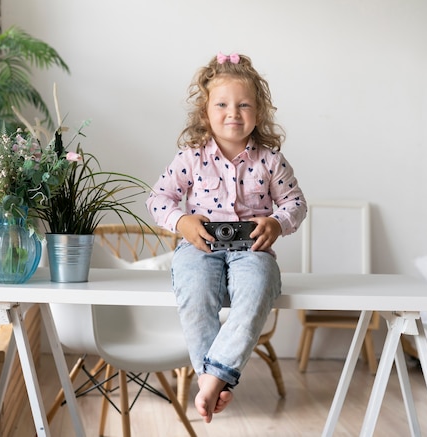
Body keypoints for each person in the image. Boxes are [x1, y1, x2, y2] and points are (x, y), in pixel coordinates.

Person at [146, 52, 307, 423]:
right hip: (199, 248)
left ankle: (212, 376)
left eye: (244, 105)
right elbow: (158, 198)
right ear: (205, 112)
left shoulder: (271, 160)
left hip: (252, 251)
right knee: (194, 290)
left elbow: (295, 203)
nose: (233, 113)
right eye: (222, 104)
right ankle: (213, 377)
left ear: (259, 112)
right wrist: (182, 222)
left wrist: (277, 223)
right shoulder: (190, 157)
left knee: (256, 289)